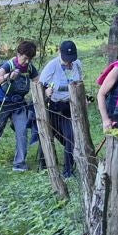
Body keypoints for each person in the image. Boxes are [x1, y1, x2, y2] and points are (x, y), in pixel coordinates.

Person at [0, 40, 39, 171]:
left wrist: (45, 90)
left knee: (22, 131)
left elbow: (38, 82)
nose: (27, 62)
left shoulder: (30, 68)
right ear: (18, 54)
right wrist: (8, 76)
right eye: (25, 58)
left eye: (30, 59)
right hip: (3, 103)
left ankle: (19, 164)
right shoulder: (8, 65)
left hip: (18, 105)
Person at [39, 40, 83, 178]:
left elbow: (79, 83)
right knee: (47, 135)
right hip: (54, 106)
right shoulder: (52, 66)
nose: (69, 62)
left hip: (69, 106)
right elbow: (40, 85)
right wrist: (46, 91)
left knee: (70, 137)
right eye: (67, 59)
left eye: (71, 59)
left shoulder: (77, 65)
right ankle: (44, 165)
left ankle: (68, 171)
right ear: (60, 53)